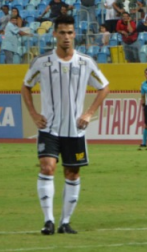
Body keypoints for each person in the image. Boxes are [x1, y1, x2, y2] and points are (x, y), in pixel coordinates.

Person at [21, 15, 111, 235]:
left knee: (72, 174)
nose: (67, 37)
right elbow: (26, 86)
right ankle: (48, 221)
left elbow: (104, 87)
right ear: (55, 34)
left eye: (70, 32)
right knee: (47, 167)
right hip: (49, 128)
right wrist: (33, 114)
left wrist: (89, 113)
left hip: (75, 130)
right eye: (62, 32)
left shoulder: (85, 62)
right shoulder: (42, 62)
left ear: (74, 34)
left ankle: (65, 222)